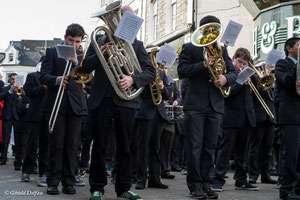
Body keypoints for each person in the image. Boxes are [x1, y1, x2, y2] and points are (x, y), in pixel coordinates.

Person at [81, 5, 155, 200]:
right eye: (121, 17)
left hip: (125, 102)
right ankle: (97, 187)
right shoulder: (99, 40)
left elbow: (150, 72)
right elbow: (85, 67)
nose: (123, 21)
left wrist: (132, 80)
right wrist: (100, 53)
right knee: (100, 145)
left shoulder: (137, 45)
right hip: (102, 99)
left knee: (125, 146)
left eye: (129, 18)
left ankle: (124, 187)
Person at [177, 15, 237, 199]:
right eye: (211, 30)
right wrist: (203, 64)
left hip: (215, 105)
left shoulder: (221, 50)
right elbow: (181, 71)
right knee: (195, 147)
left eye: (216, 30)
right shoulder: (189, 47)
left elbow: (233, 72)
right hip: (195, 104)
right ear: (201, 30)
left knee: (210, 147)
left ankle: (206, 183)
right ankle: (195, 185)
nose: (214, 34)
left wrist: (225, 79)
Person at [40, 23, 88, 195]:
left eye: (77, 42)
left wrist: (77, 64)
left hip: (75, 105)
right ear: (65, 37)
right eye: (70, 40)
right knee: (57, 144)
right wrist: (57, 79)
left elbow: (87, 79)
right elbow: (42, 76)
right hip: (55, 103)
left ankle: (68, 181)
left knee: (72, 146)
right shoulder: (53, 52)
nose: (73, 45)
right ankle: (53, 181)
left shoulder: (83, 55)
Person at [212, 48, 259, 192]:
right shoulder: (229, 73)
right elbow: (227, 93)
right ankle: (217, 180)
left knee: (242, 152)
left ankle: (241, 179)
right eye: (240, 62)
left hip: (246, 117)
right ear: (233, 59)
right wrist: (241, 82)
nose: (242, 66)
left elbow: (259, 89)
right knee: (225, 150)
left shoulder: (247, 73)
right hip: (231, 117)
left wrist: (254, 78)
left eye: (245, 64)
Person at [275, 37, 300, 200]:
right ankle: (287, 189)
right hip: (290, 115)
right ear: (289, 48)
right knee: (289, 154)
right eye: (299, 45)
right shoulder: (282, 64)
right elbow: (287, 81)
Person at [21, 57, 49, 187]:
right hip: (35, 114)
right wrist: (43, 87)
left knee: (45, 145)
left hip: (48, 115)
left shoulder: (53, 77)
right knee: (31, 144)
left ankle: (44, 172)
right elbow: (28, 92)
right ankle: (26, 171)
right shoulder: (32, 76)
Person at [248, 63, 277, 185]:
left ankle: (266, 174)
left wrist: (270, 82)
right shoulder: (253, 75)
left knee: (268, 148)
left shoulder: (270, 76)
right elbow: (253, 93)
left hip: (270, 116)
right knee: (255, 148)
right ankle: (253, 175)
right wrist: (262, 79)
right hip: (259, 115)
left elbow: (272, 97)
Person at [0, 73, 21, 166]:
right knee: (5, 138)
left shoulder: (19, 89)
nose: (13, 81)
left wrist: (20, 91)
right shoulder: (5, 89)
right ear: (9, 80)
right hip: (7, 116)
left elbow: (21, 100)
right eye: (12, 79)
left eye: (15, 79)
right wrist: (9, 91)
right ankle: (3, 157)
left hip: (17, 116)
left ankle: (18, 160)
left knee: (18, 139)